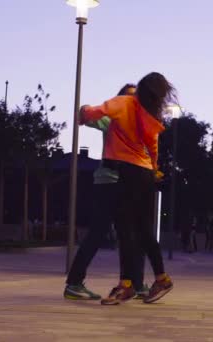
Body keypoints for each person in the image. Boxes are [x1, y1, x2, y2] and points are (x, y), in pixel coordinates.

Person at [80, 72, 176, 305]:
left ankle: (127, 285)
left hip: (126, 174)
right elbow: (152, 148)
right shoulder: (149, 113)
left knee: (125, 230)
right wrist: (154, 170)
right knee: (143, 229)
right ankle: (160, 278)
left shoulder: (123, 102)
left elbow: (92, 114)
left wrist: (83, 111)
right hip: (144, 175)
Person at [64, 84, 149, 300]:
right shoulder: (111, 119)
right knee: (101, 232)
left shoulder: (140, 124)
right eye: (127, 98)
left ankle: (134, 284)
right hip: (108, 182)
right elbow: (84, 115)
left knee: (129, 234)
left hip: (128, 184)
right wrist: (86, 111)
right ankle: (74, 282)